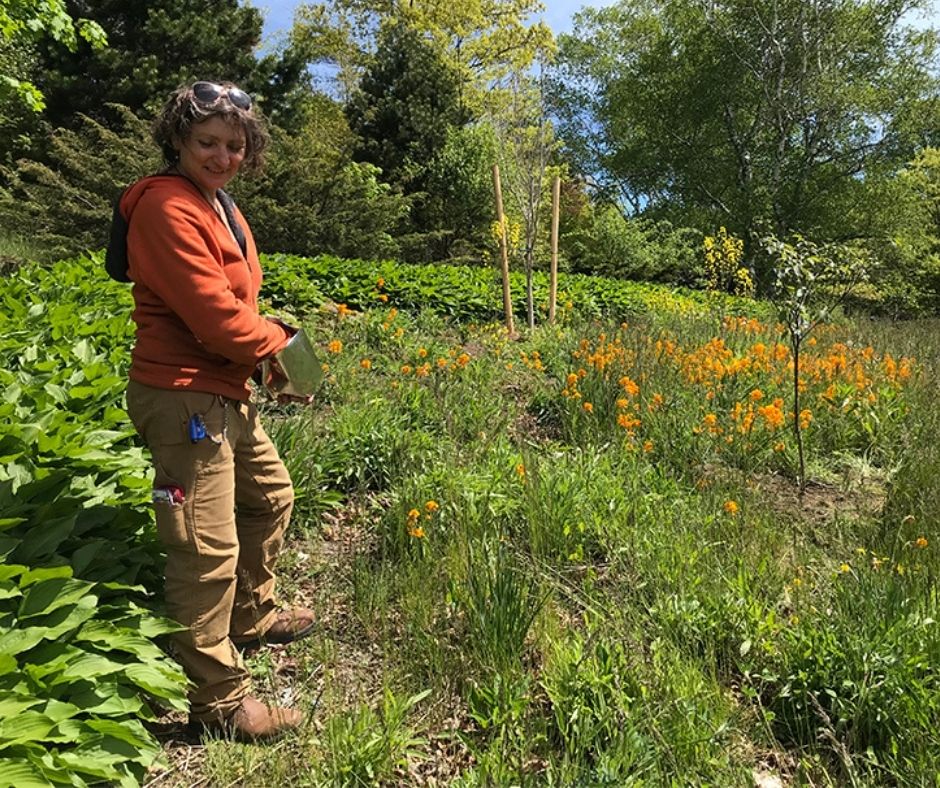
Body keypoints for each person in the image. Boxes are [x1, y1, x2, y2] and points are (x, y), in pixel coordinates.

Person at [120, 81, 313, 741]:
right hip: (182, 398)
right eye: (208, 142)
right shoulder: (166, 207)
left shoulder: (219, 204)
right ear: (178, 139)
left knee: (270, 498)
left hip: (224, 391)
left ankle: (249, 619)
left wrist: (267, 355)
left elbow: (237, 316)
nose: (222, 155)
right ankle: (221, 704)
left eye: (235, 145)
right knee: (203, 549)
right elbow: (216, 318)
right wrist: (279, 344)